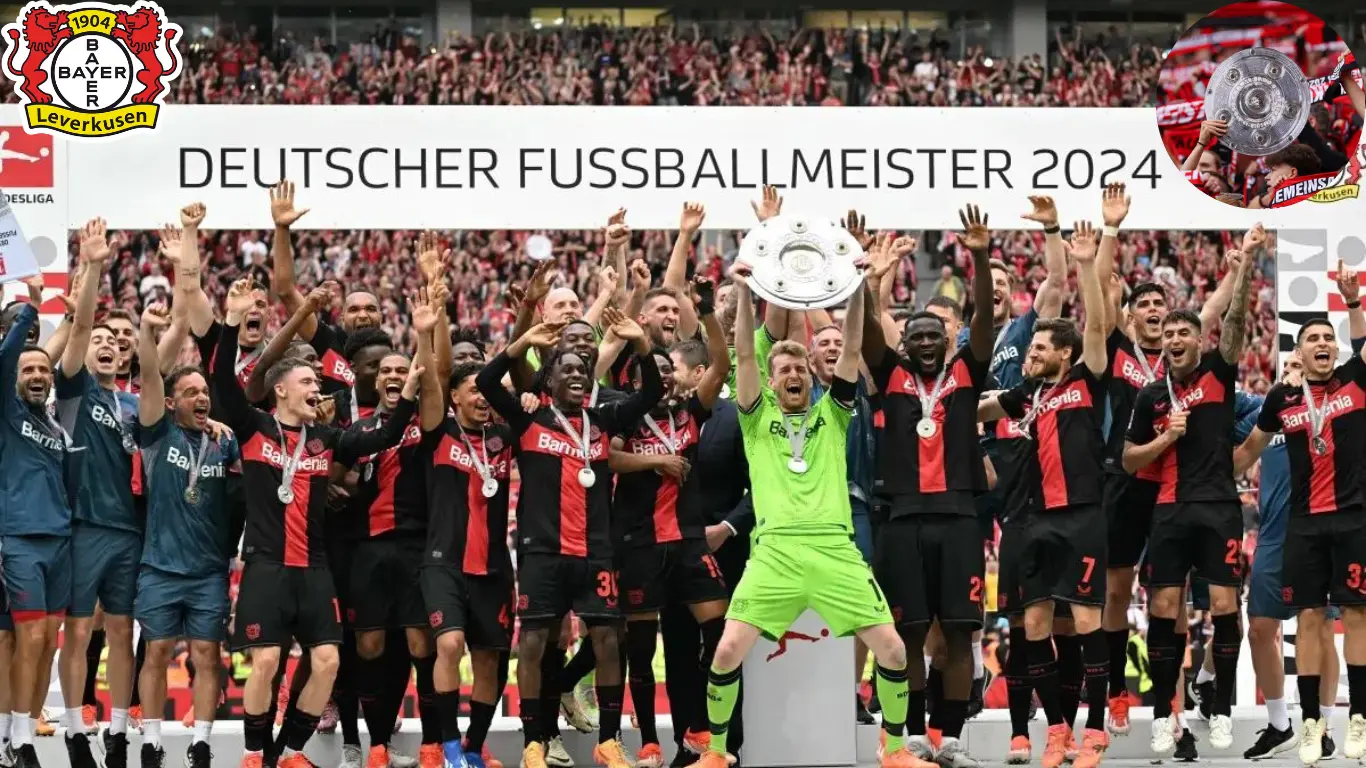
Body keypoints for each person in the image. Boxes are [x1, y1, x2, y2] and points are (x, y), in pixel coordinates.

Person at [697, 259, 914, 768]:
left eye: (799, 369)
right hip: (774, 553)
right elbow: (746, 352)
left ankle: (897, 750)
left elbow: (854, 348)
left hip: (835, 549)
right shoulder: (755, 420)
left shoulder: (832, 415)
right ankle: (716, 752)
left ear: (810, 379)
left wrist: (859, 287)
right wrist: (746, 290)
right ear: (771, 384)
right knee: (727, 652)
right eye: (784, 370)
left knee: (894, 651)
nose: (793, 374)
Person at [213, 277, 422, 768]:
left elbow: (387, 430)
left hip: (315, 568)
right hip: (266, 565)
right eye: (307, 381)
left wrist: (408, 386)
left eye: (317, 380)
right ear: (280, 390)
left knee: (327, 662)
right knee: (265, 661)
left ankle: (289, 753)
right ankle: (253, 754)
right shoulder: (253, 427)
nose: (316, 386)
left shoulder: (327, 439)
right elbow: (225, 379)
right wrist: (230, 322)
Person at [476, 306, 663, 768]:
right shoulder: (529, 421)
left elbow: (652, 392)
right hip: (542, 551)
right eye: (568, 369)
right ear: (549, 380)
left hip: (594, 551)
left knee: (608, 638)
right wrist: (520, 345)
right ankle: (534, 742)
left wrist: (641, 345)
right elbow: (484, 383)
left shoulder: (602, 421)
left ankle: (607, 740)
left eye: (583, 368)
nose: (578, 373)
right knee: (536, 643)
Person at [861, 206, 995, 768]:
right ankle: (914, 734)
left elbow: (985, 315)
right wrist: (861, 272)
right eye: (914, 335)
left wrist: (982, 258)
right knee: (909, 632)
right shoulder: (888, 372)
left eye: (934, 333)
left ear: (948, 339)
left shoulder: (966, 372)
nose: (924, 342)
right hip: (903, 518)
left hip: (961, 515)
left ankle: (953, 736)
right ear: (904, 344)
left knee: (961, 634)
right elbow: (865, 326)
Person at [1123, 225, 1261, 754]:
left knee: (1225, 606)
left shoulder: (1219, 376)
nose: (1177, 340)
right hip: (1167, 510)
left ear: (1197, 341)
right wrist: (1164, 438)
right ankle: (1163, 714)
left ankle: (1221, 708)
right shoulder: (1151, 396)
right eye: (1171, 335)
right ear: (1164, 343)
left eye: (1186, 334)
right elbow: (1131, 460)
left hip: (1220, 507)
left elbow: (1238, 321)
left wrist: (1245, 265)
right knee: (1163, 608)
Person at [977, 220, 1110, 768]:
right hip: (1027, 522)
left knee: (1084, 622)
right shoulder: (1021, 394)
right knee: (1031, 628)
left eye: (1036, 346)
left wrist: (1082, 262)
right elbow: (978, 407)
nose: (1027, 352)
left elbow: (1099, 326)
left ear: (1064, 352)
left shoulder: (1085, 380)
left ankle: (1095, 732)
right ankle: (1056, 730)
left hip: (1078, 516)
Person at [1233, 302, 1366, 763]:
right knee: (1287, 623)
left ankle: (1344, 722)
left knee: (1345, 620)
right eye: (1311, 340)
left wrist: (1352, 305)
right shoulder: (1274, 401)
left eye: (1328, 338)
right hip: (1292, 527)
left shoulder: (1350, 385)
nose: (1322, 345)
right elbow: (1243, 448)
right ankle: (1295, 724)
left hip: (1348, 518)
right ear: (1292, 355)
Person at [609, 277, 730, 768]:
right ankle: (652, 744)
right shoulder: (623, 413)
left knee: (719, 633)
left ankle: (702, 729)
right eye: (651, 372)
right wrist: (656, 462)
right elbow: (611, 460)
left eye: (667, 371)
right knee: (640, 647)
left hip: (687, 540)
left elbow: (720, 364)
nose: (661, 379)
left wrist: (706, 315)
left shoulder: (690, 411)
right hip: (637, 541)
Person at [133, 303, 240, 768]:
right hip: (160, 566)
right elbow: (151, 375)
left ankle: (201, 742)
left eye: (204, 392)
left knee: (207, 655)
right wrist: (151, 330)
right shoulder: (157, 435)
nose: (200, 398)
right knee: (155, 651)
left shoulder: (225, 440)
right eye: (189, 392)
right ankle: (152, 742)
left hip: (208, 571)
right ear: (171, 401)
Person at [54, 219, 140, 768]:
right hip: (84, 527)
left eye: (118, 343)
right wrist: (91, 266)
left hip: (130, 530)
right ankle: (72, 729)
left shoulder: (136, 406)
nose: (108, 346)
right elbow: (82, 324)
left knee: (123, 633)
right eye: (101, 341)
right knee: (79, 630)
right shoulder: (73, 391)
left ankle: (118, 729)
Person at [0, 278, 76, 768]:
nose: (34, 374)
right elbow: (6, 358)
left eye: (41, 370)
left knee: (48, 641)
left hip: (60, 541)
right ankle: (17, 740)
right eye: (26, 368)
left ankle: (19, 729)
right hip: (20, 540)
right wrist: (29, 305)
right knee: (26, 638)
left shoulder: (54, 426)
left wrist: (71, 321)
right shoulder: (6, 411)